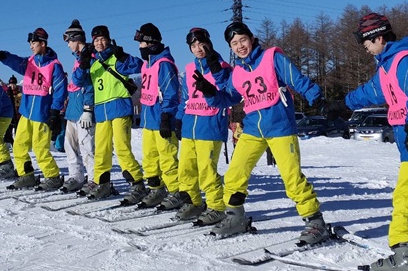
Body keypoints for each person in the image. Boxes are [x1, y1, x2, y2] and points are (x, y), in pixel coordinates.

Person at [210, 21, 329, 245]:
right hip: (253, 129)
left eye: (243, 40)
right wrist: (211, 93)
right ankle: (235, 217)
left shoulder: (272, 58)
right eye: (234, 43)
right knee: (234, 175)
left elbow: (296, 79)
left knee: (292, 178)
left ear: (252, 39)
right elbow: (228, 98)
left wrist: (317, 99)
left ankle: (315, 222)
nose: (240, 46)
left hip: (280, 127)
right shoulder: (238, 72)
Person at [344, 12, 408, 271]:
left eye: (365, 42)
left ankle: (406, 256)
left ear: (378, 38)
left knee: (405, 199)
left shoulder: (404, 61)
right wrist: (341, 104)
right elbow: (370, 92)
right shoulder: (387, 66)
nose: (364, 47)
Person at [163, 28, 233, 226]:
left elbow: (229, 93)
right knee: (185, 169)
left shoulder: (222, 67)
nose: (198, 49)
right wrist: (179, 119)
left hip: (210, 127)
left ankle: (216, 207)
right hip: (189, 127)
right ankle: (193, 202)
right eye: (193, 46)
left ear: (209, 43)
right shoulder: (190, 69)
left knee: (206, 171)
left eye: (201, 44)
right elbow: (185, 99)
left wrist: (216, 70)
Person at [0, 27, 68, 191]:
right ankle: (27, 175)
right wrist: (3, 56)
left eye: (33, 43)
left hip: (42, 114)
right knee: (19, 146)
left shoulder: (54, 65)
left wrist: (54, 111)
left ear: (43, 44)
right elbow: (15, 61)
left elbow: (60, 90)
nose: (31, 46)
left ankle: (53, 176)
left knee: (40, 149)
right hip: (26, 113)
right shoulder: (30, 62)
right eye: (30, 43)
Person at [73, 25, 144, 202]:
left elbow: (139, 65)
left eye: (103, 39)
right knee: (101, 150)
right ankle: (102, 183)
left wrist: (122, 55)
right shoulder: (93, 63)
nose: (99, 43)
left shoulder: (116, 59)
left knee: (121, 147)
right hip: (102, 111)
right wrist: (83, 62)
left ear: (108, 40)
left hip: (119, 108)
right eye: (96, 40)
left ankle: (137, 184)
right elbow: (77, 81)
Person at [122, 22, 181, 208]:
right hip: (149, 120)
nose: (140, 47)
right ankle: (156, 189)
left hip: (162, 120)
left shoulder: (164, 64)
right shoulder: (148, 64)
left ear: (151, 43)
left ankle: (176, 191)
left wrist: (166, 117)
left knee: (167, 159)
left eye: (142, 43)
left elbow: (171, 93)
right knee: (149, 159)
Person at [61, 20, 95, 194]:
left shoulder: (89, 57)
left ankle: (94, 179)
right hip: (73, 110)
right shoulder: (77, 59)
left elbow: (89, 84)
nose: (68, 45)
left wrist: (88, 108)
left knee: (87, 146)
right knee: (70, 145)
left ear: (76, 39)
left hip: (83, 110)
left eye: (69, 41)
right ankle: (76, 176)